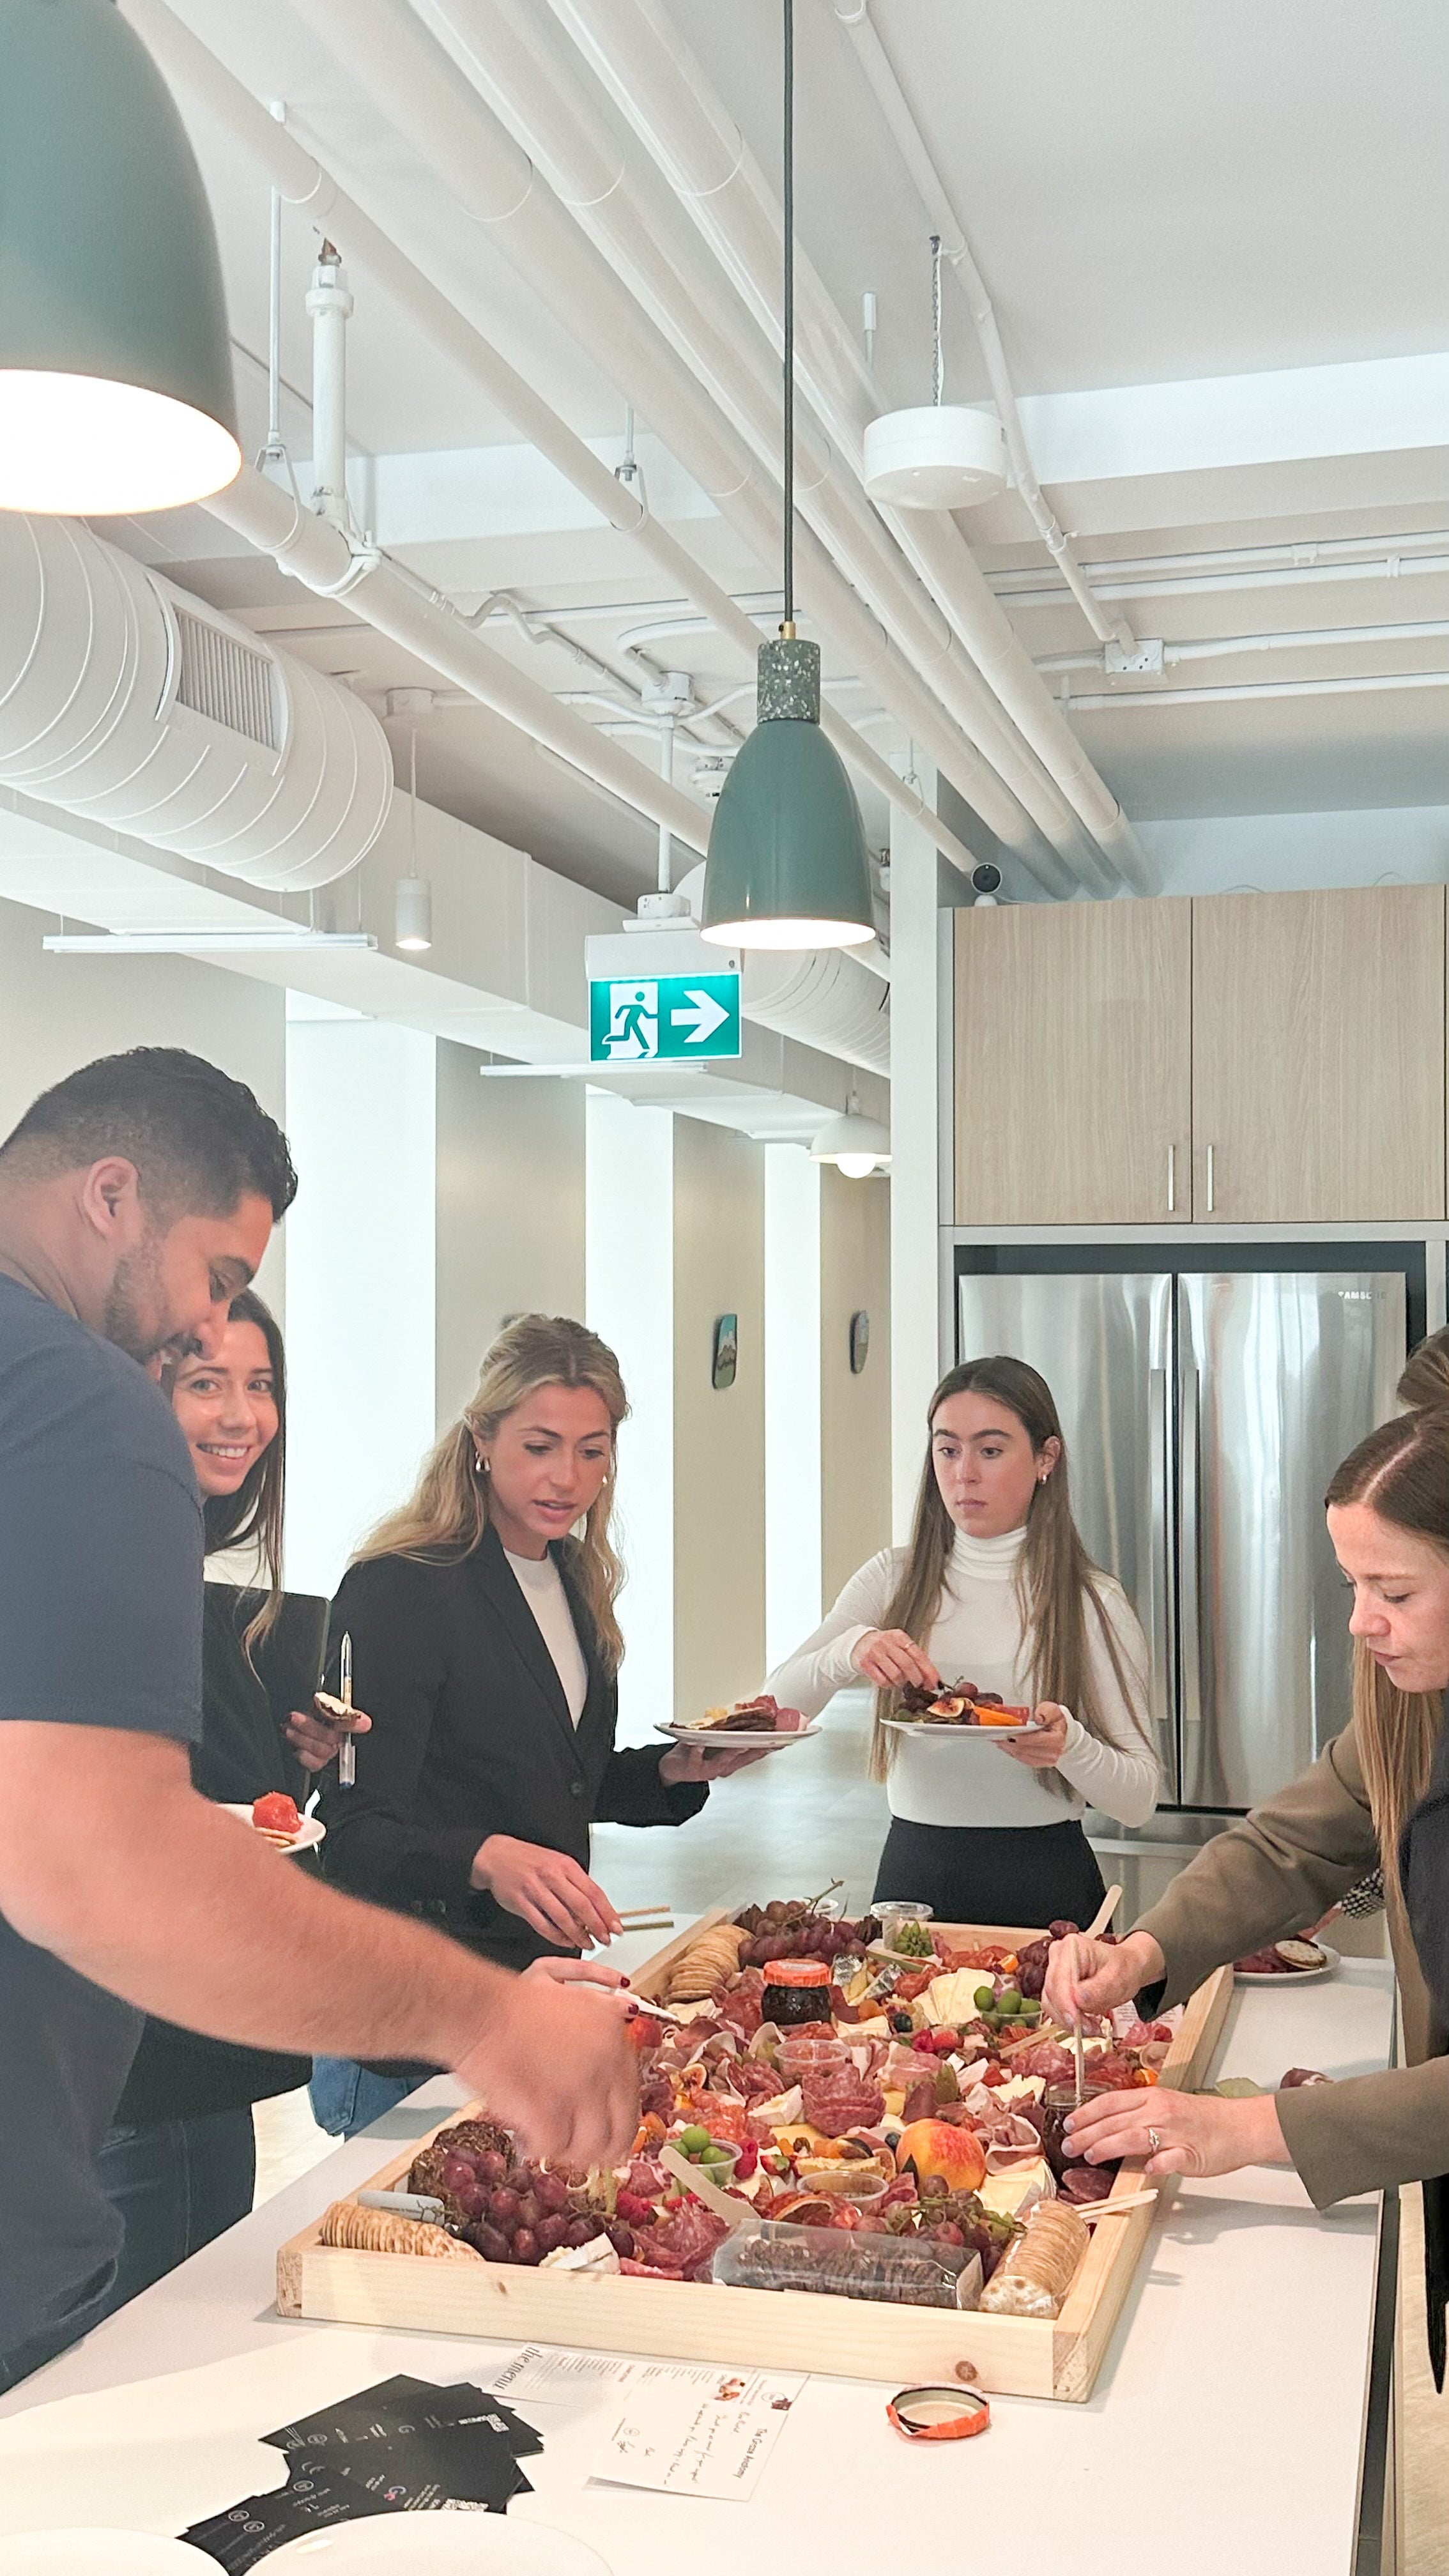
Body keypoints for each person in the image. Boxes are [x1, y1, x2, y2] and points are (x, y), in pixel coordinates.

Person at [0, 1050, 637, 2389]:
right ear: (111, 1195)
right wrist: (488, 2020)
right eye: (218, 1279)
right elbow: (91, 1862)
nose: (204, 1328)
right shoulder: (74, 1397)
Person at [1044, 1406, 1449, 2379]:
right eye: (1352, 1584)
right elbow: (1291, 1845)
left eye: (1394, 1588)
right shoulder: (1414, 1710)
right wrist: (1145, 1953)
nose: (1360, 1620)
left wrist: (1247, 2127)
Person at [312, 1313, 761, 2137]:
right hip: (411, 2021)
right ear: (482, 1439)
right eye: (541, 1445)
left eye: (593, 1451)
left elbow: (559, 1783)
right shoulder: (400, 1587)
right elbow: (353, 1831)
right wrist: (485, 1860)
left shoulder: (575, 1576)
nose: (567, 1477)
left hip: (532, 1996)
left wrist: (672, 1772)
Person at [92, 1291, 369, 2314]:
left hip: (191, 2055)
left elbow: (226, 1804)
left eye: (261, 1387)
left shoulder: (184, 1569)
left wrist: (298, 1762)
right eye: (206, 1384)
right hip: (131, 2062)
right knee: (129, 2371)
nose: (243, 1415)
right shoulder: (109, 1565)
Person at [765, 1356, 1159, 1928]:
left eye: (990, 1451)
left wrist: (1070, 1747)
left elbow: (1140, 1799)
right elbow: (775, 1710)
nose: (963, 1473)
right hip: (913, 1879)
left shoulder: (1091, 1600)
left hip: (1048, 1886)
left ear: (1046, 1458)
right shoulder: (891, 1578)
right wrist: (847, 1648)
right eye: (947, 1450)